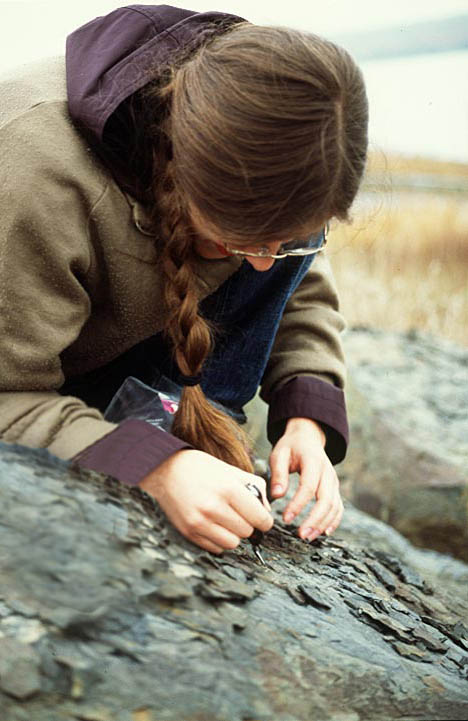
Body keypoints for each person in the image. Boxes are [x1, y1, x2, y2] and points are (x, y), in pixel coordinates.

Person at [0, 5, 368, 555]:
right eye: (242, 239)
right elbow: (8, 393)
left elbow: (301, 276)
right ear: (186, 169)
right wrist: (153, 467)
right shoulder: (37, 179)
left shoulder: (274, 152)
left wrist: (307, 420)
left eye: (292, 238)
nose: (267, 263)